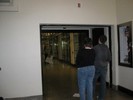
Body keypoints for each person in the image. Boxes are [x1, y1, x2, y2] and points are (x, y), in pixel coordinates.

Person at [93, 35, 111, 100]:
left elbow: (92, 57)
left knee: (93, 82)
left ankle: (91, 97)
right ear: (105, 41)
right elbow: (109, 58)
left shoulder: (95, 47)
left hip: (96, 67)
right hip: (104, 67)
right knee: (103, 83)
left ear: (99, 40)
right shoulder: (107, 48)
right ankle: (101, 98)